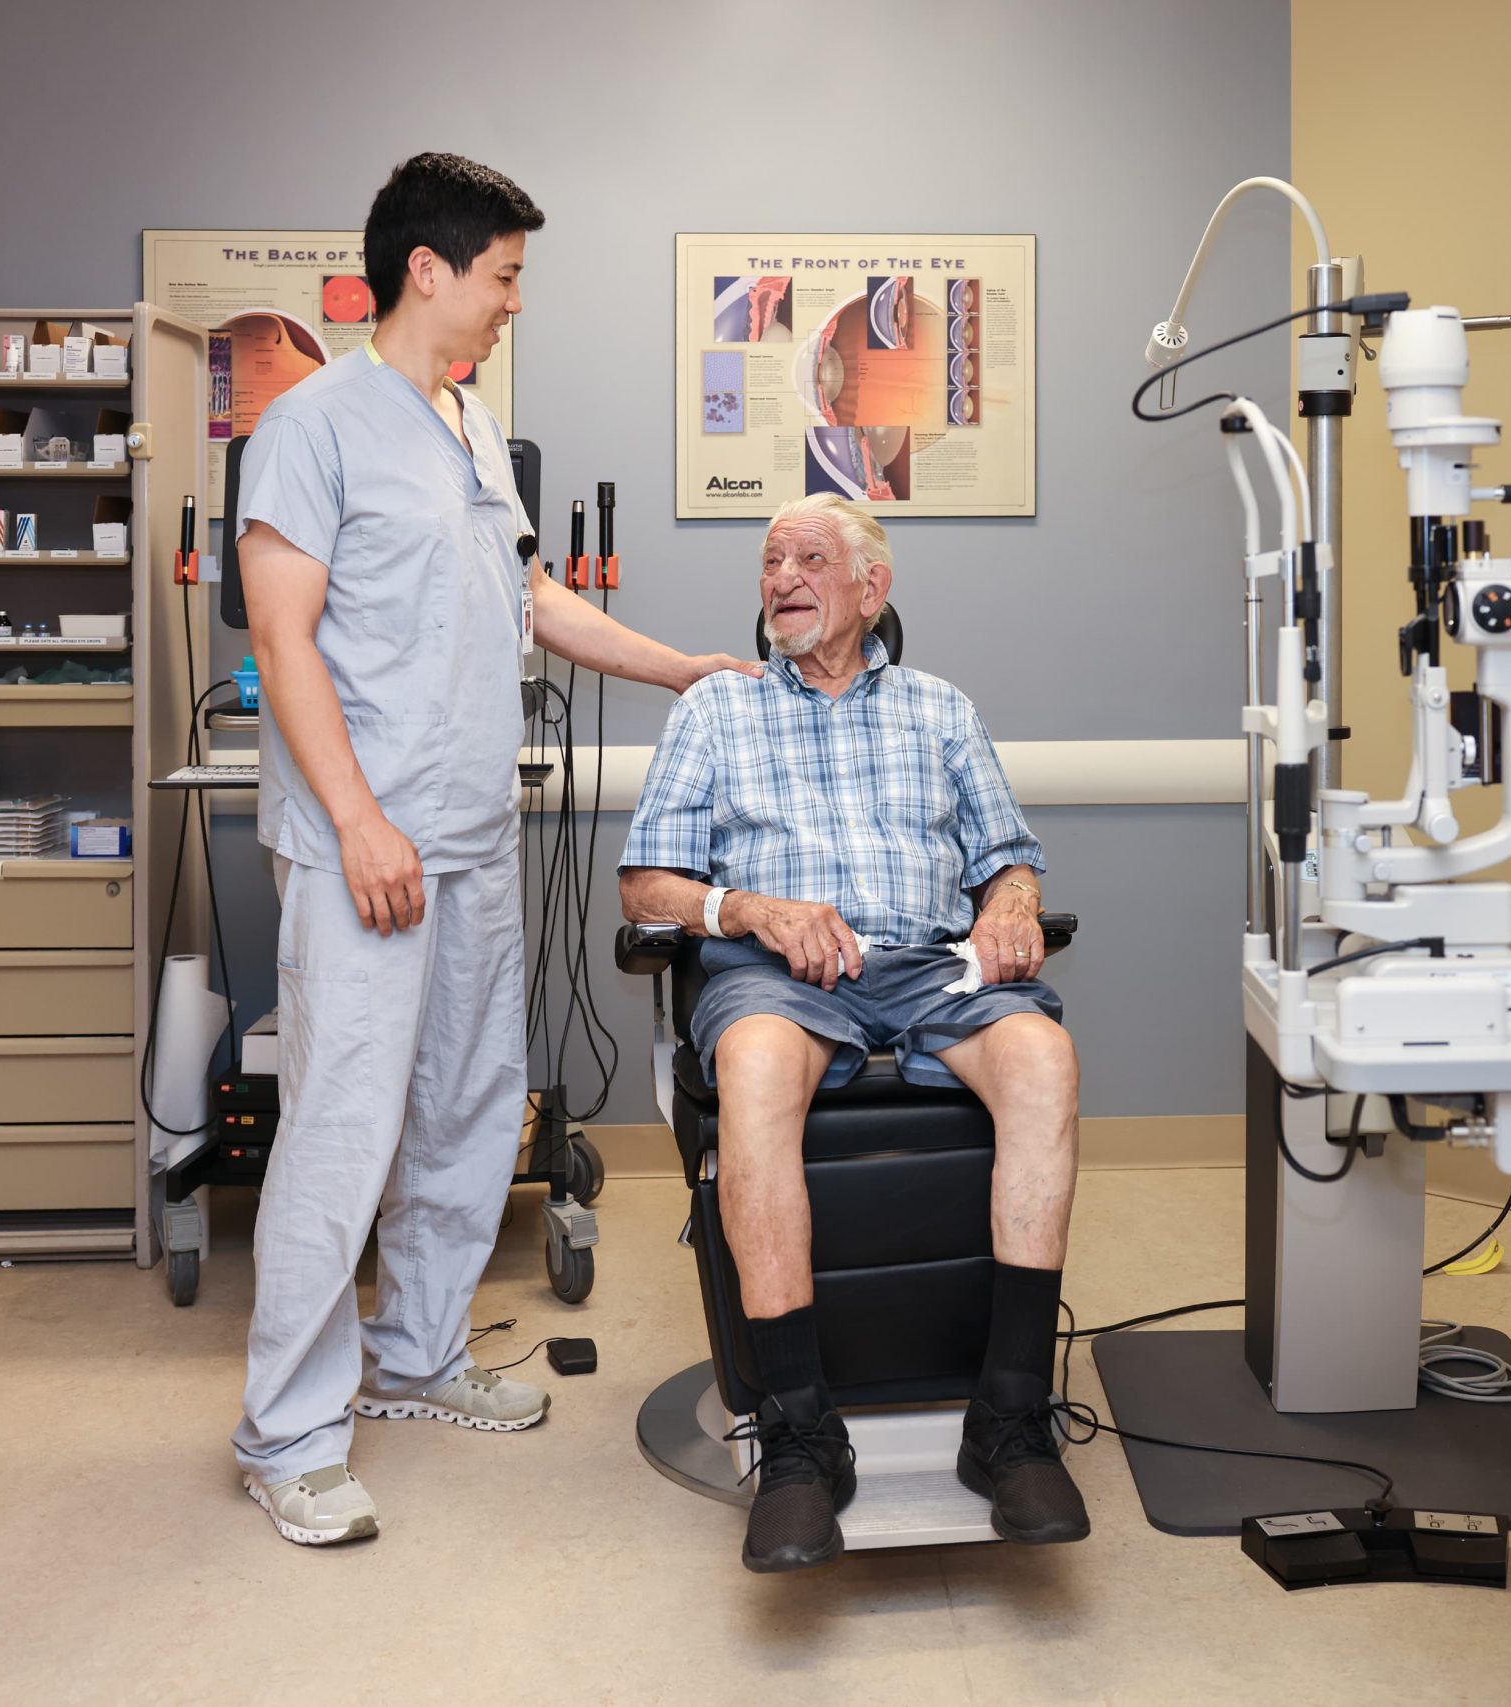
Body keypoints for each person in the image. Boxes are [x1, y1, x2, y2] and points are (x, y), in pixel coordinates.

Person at [232, 152, 756, 1547]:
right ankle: (286, 1432)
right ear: (431, 270)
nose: (517, 298)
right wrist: (355, 818)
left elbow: (529, 595)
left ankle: (415, 1351)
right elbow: (282, 637)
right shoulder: (314, 426)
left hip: (470, 834)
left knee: (474, 1106)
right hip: (369, 843)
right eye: (507, 272)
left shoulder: (464, 422)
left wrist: (679, 668)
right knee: (343, 1133)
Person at [618, 493, 1086, 1573]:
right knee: (753, 1066)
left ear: (871, 591)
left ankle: (1008, 1418)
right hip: (777, 969)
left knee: (1042, 1060)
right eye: (770, 558)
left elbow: (1006, 852)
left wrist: (1010, 904)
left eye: (810, 558)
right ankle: (797, 1437)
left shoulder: (940, 709)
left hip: (928, 965)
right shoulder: (716, 711)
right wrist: (751, 912)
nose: (781, 575)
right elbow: (648, 884)